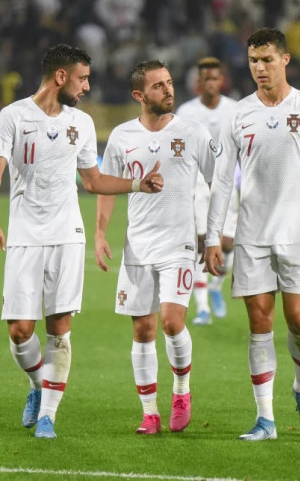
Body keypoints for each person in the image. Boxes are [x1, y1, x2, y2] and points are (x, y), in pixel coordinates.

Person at [0, 45, 164, 440]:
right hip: (25, 234)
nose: (87, 86)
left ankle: (48, 416)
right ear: (60, 77)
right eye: (82, 78)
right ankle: (37, 385)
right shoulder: (13, 116)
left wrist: (137, 184)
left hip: (67, 234)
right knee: (19, 331)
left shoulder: (81, 123)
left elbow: (93, 181)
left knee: (59, 328)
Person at [203, 28, 300, 441]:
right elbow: (222, 180)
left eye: (267, 59)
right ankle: (265, 418)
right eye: (253, 61)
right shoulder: (238, 114)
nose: (259, 68)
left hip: (298, 232)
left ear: (285, 60)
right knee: (259, 323)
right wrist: (213, 236)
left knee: (299, 321)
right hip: (251, 235)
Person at [94, 60, 216, 435]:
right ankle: (150, 413)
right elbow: (107, 185)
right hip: (138, 246)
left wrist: (214, 235)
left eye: (169, 82)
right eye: (158, 85)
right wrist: (100, 232)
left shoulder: (193, 133)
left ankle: (181, 391)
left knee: (171, 322)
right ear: (139, 95)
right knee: (143, 330)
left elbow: (220, 183)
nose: (168, 89)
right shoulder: (122, 137)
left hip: (179, 244)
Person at [175, 57, 238, 325]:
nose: (210, 83)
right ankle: (202, 308)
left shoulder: (234, 109)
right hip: (198, 183)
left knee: (228, 243)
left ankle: (215, 287)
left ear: (221, 80)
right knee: (202, 242)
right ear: (198, 82)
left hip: (227, 182)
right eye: (205, 79)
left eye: (214, 78)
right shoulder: (186, 112)